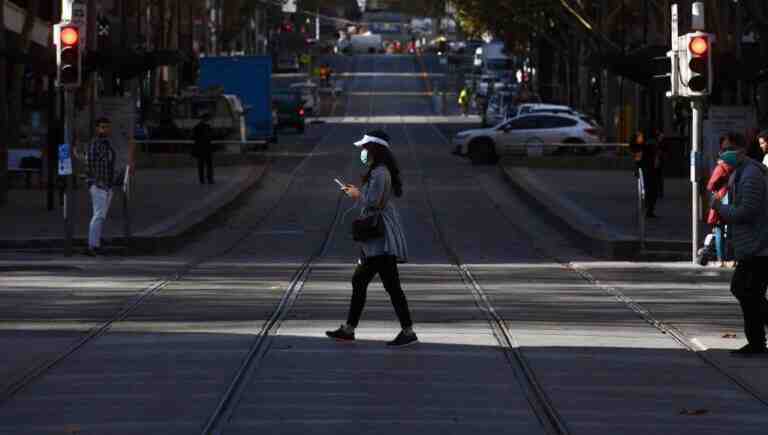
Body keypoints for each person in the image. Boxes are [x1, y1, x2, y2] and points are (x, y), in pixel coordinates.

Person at [326, 130, 417, 347]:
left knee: (384, 285)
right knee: (371, 282)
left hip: (381, 239)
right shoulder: (378, 171)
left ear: (375, 149)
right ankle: (351, 329)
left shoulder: (380, 173)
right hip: (376, 240)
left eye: (365, 148)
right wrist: (358, 194)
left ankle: (406, 331)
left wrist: (357, 194)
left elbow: (375, 202)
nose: (363, 152)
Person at [710, 131, 768, 356]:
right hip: (752, 246)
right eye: (722, 150)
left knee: (745, 290)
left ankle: (756, 343)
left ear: (741, 150)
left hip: (759, 247)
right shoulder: (740, 172)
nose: (723, 155)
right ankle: (756, 343)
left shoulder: (751, 175)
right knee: (747, 291)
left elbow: (746, 212)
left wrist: (718, 207)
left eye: (727, 150)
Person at [85, 117, 117, 256]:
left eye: (107, 127)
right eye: (103, 127)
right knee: (98, 215)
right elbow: (90, 164)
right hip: (99, 185)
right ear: (97, 129)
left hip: (107, 185)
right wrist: (96, 182)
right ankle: (92, 245)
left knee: (101, 216)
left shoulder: (107, 144)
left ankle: (96, 243)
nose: (105, 130)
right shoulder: (95, 144)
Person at [703, 147, 736, 266]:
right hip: (732, 199)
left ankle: (721, 259)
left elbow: (710, 185)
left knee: (719, 230)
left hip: (721, 199)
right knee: (731, 230)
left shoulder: (720, 168)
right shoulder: (734, 168)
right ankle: (731, 259)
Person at [630, 131, 659, 218]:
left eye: (641, 136)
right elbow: (637, 161)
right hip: (645, 171)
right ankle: (647, 209)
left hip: (650, 170)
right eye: (639, 136)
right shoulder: (638, 148)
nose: (641, 138)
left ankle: (649, 209)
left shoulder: (645, 146)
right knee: (647, 190)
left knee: (652, 190)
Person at [192, 113, 215, 184]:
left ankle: (202, 179)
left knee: (202, 165)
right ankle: (209, 179)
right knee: (208, 164)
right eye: (208, 118)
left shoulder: (197, 127)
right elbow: (211, 136)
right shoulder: (206, 127)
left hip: (201, 148)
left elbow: (194, 137)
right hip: (205, 148)